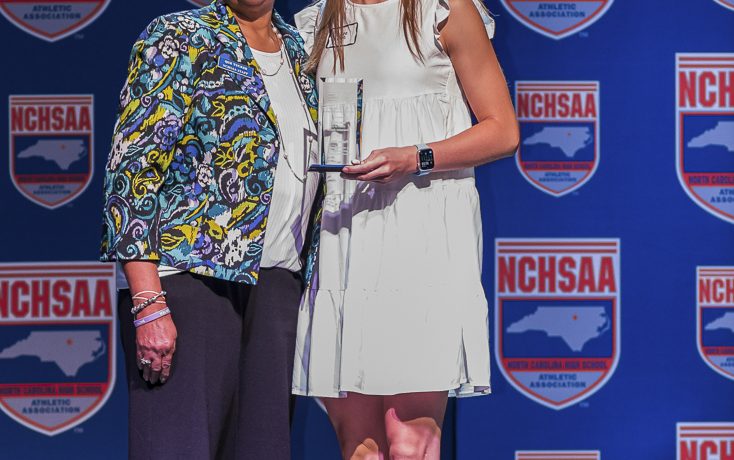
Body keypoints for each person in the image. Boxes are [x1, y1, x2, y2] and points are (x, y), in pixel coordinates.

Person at [292, 0, 519, 457]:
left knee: (409, 445)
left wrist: (415, 158)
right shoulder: (315, 22)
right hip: (344, 238)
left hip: (423, 237)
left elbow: (503, 131)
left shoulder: (444, 10)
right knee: (361, 448)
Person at [100, 0, 320, 458]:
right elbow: (132, 173)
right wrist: (148, 302)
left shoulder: (301, 52)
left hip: (277, 285)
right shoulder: (178, 35)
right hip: (189, 284)